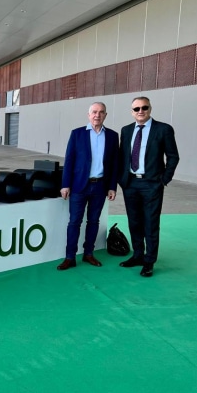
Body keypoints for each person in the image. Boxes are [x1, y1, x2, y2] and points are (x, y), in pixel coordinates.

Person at [117, 96, 180, 277]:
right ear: (132, 112)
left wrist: (164, 179)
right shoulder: (126, 130)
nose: (140, 111)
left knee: (151, 223)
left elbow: (173, 156)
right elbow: (123, 156)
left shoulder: (163, 129)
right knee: (134, 222)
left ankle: (149, 261)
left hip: (151, 184)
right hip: (130, 184)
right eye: (136, 109)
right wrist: (122, 179)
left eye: (144, 107)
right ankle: (138, 255)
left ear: (150, 109)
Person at [57, 102, 119, 271]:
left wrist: (112, 187)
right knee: (74, 222)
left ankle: (88, 253)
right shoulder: (77, 134)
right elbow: (69, 160)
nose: (97, 115)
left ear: (105, 115)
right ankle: (70, 257)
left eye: (101, 112)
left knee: (93, 221)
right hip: (79, 186)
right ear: (88, 115)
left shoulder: (112, 136)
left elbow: (115, 164)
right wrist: (65, 185)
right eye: (94, 112)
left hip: (100, 187)